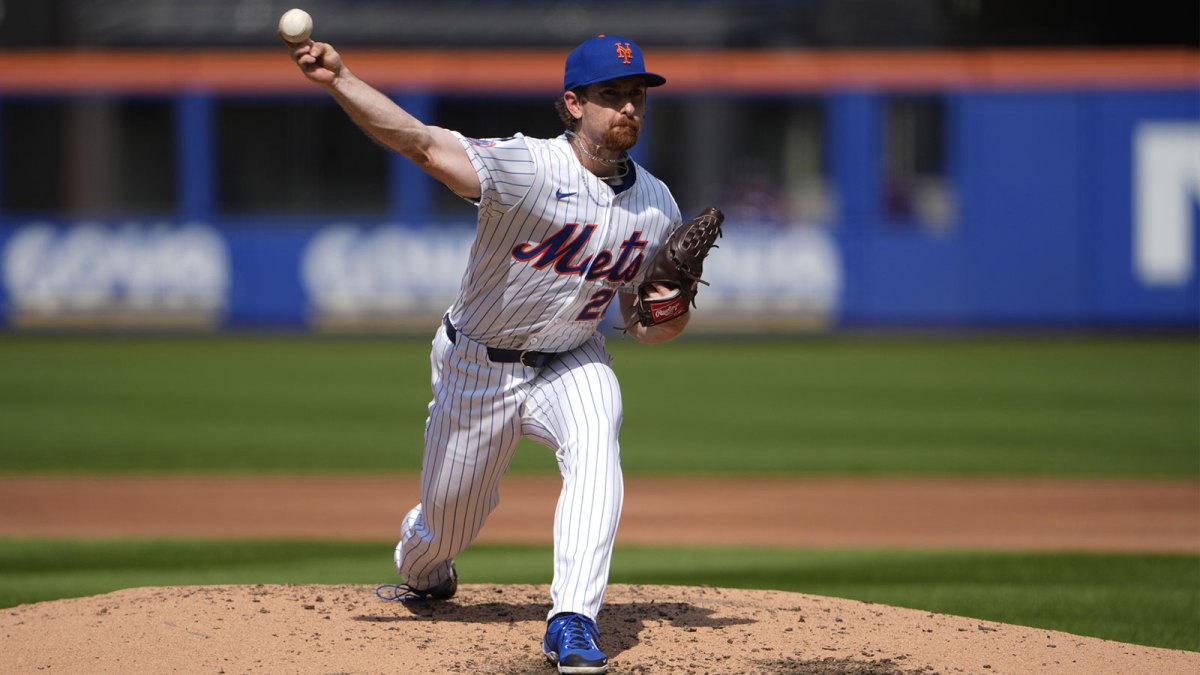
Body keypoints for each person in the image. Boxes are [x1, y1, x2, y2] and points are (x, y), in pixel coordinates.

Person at [285, 32, 688, 674]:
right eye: (612, 95)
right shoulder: (528, 166)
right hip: (478, 365)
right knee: (445, 526)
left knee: (597, 431)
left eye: (637, 95)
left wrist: (670, 313)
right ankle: (424, 568)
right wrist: (339, 79)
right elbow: (420, 142)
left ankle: (573, 620)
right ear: (573, 104)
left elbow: (642, 323)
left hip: (572, 357)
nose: (629, 108)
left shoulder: (657, 204)